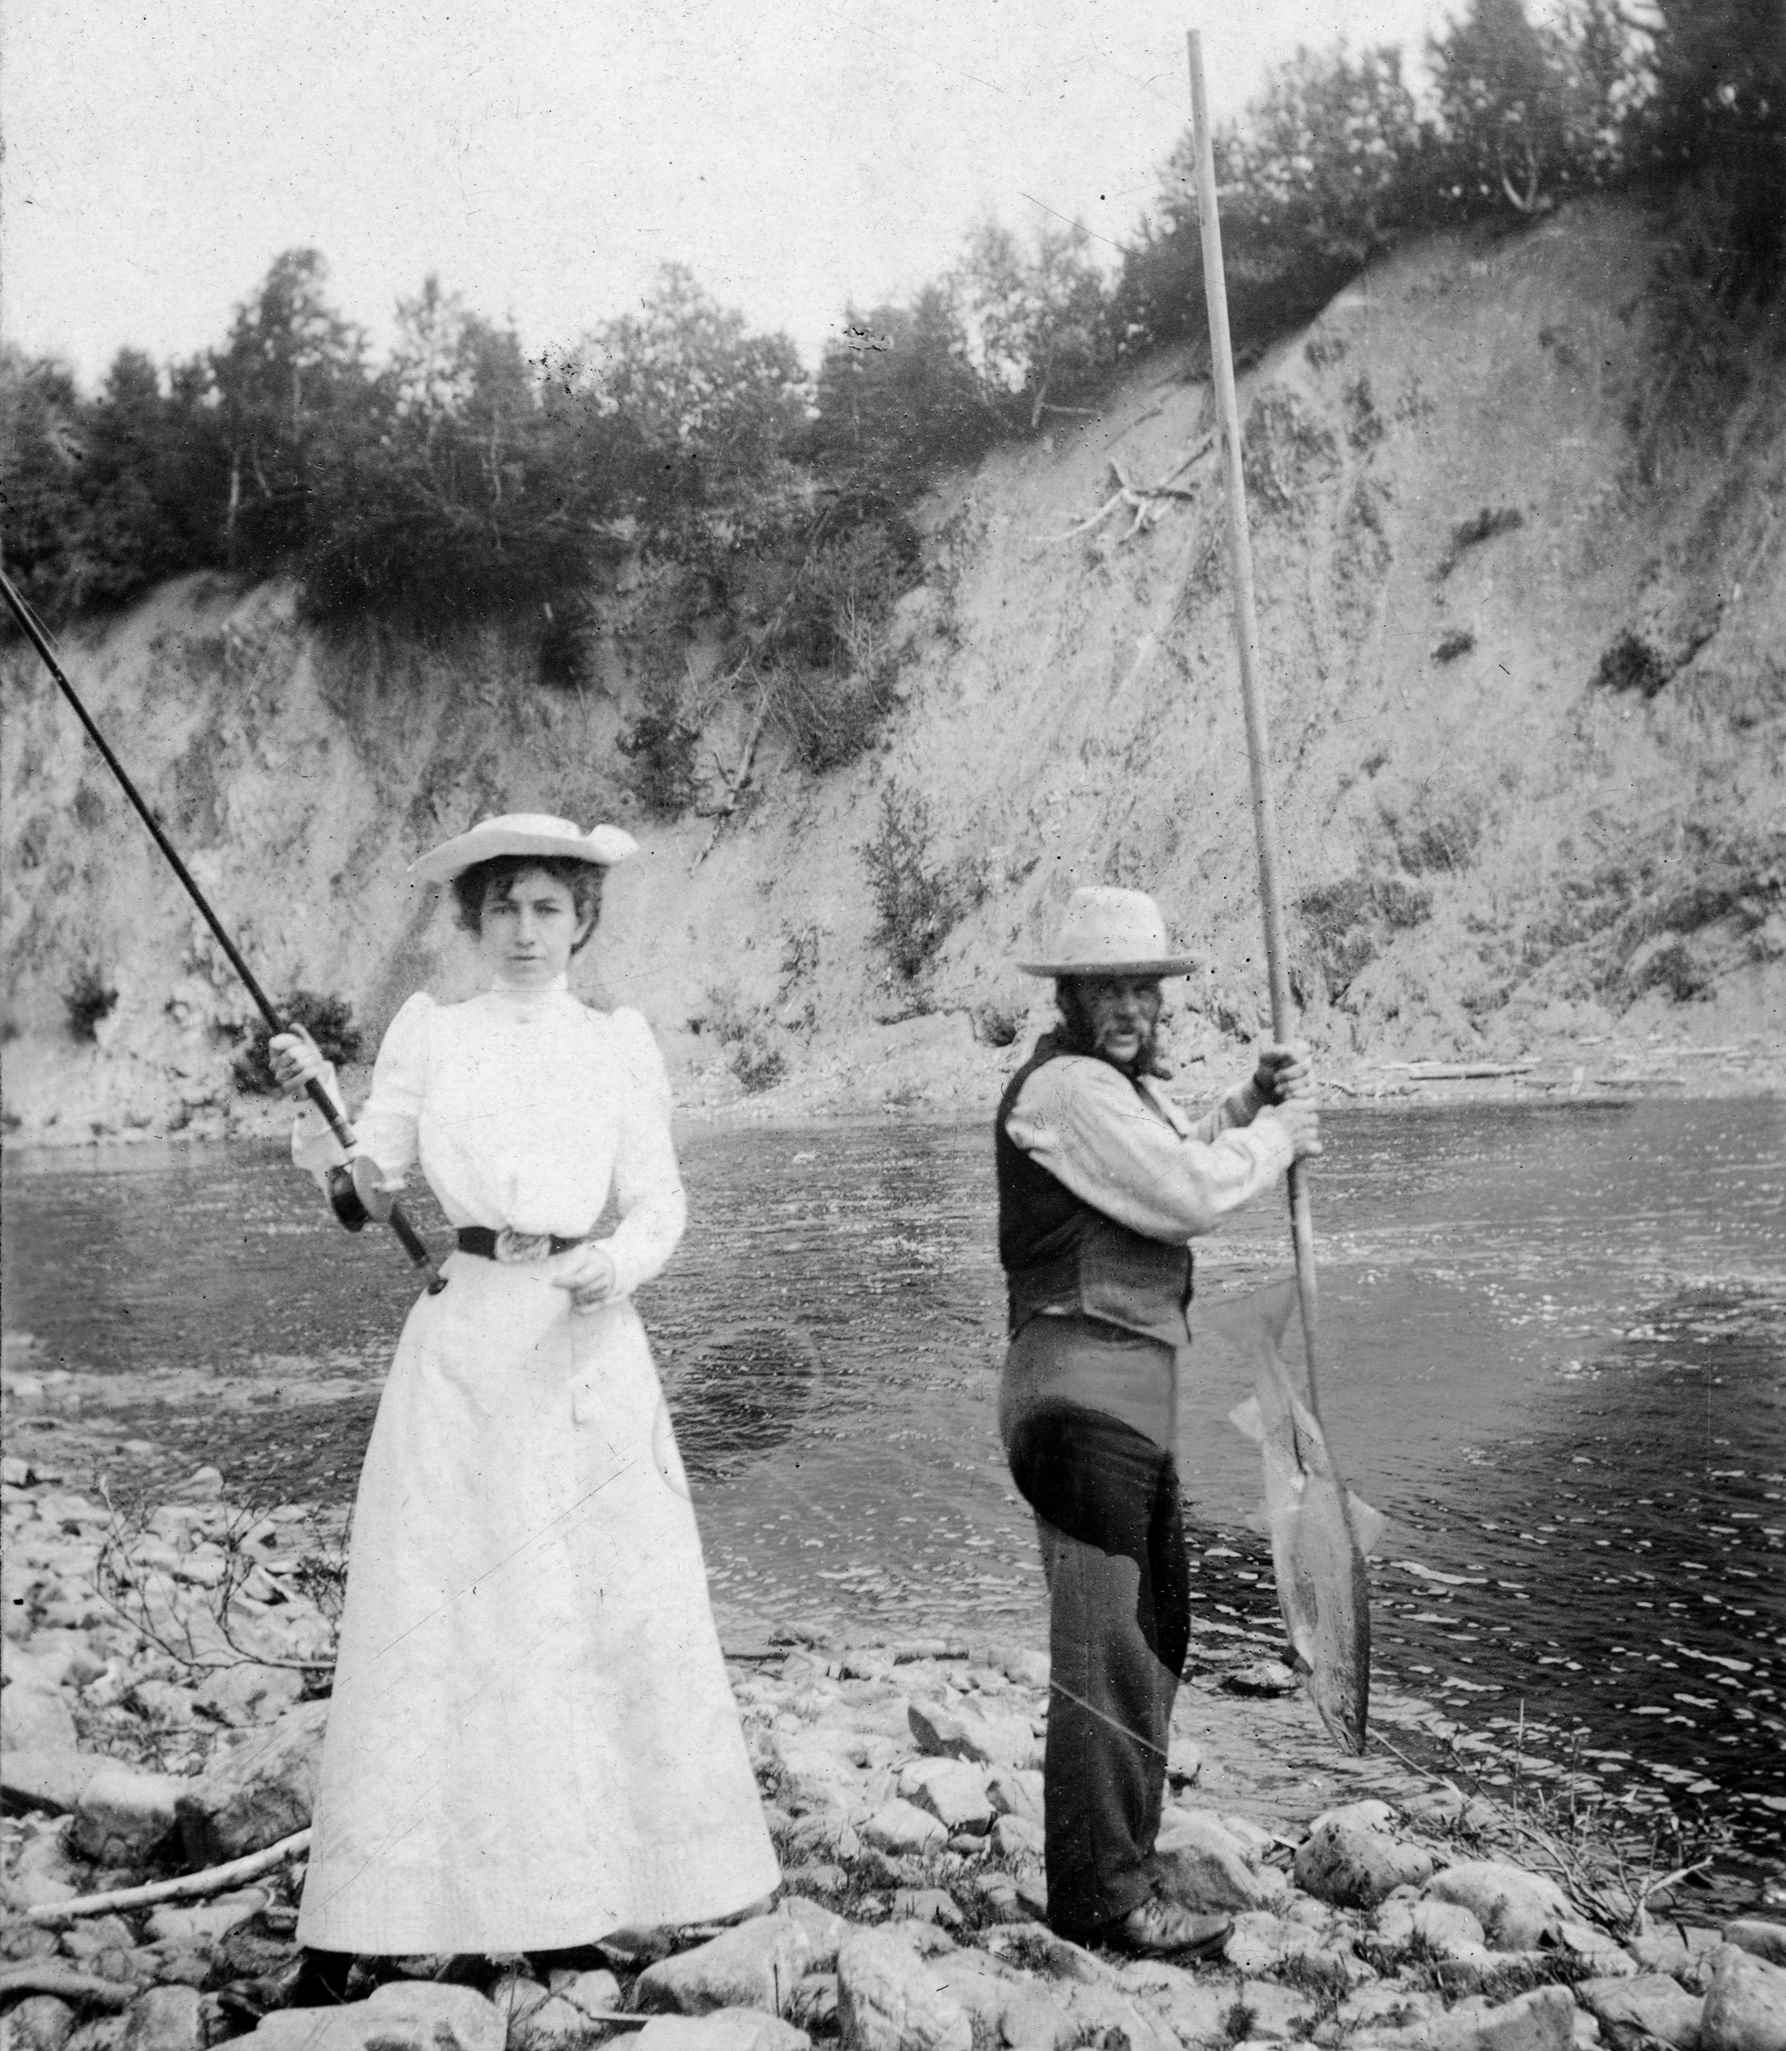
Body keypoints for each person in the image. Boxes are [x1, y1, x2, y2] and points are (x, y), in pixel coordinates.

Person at [270, 813, 778, 1965]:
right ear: (471, 918)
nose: (524, 930)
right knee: (451, 1610)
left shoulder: (615, 1043)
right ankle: (417, 1905)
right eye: (503, 906)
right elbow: (365, 1191)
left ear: (583, 919)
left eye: (548, 906)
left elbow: (658, 1204)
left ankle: (601, 1891)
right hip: (463, 1341)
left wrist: (618, 1261)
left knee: (587, 1607)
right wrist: (318, 1103)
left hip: (583, 1340)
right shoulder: (432, 1034)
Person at [994, 885, 1321, 1959]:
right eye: (1109, 987)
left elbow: (1173, 1141)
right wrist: (1278, 1134)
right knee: (1108, 1645)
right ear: (1073, 997)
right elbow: (1181, 1191)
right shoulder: (1069, 1086)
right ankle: (1099, 1898)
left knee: (1155, 1624)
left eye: (1144, 985)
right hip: (1077, 1392)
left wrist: (1243, 1102)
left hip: (1125, 1392)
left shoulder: (1107, 1088)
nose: (1131, 1004)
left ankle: (1119, 1861)